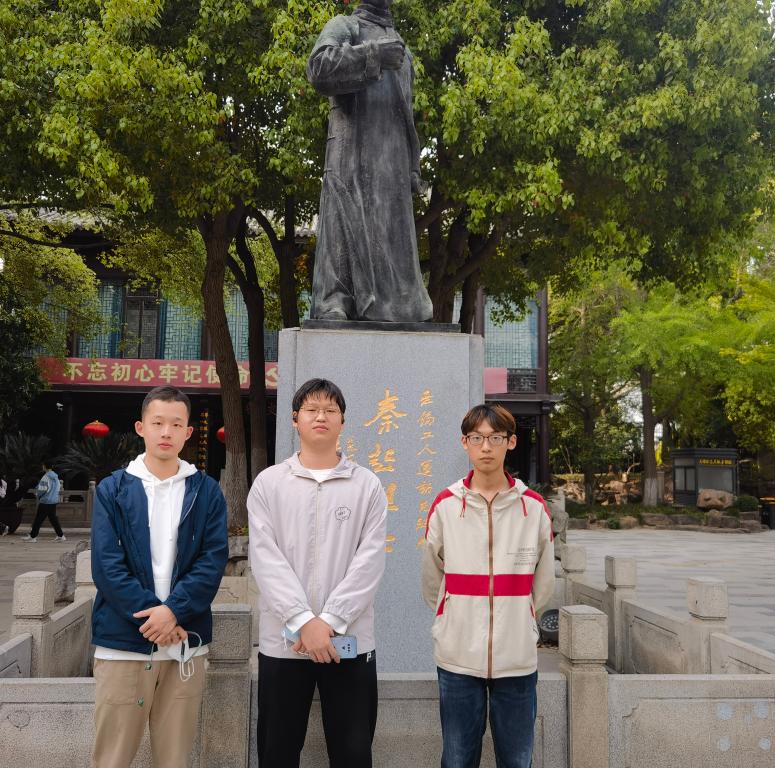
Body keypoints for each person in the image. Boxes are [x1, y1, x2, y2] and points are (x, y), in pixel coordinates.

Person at [248, 378, 388, 768]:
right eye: (311, 410)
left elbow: (369, 561)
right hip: (284, 643)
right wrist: (302, 621)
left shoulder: (366, 485)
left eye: (330, 410)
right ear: (295, 419)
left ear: (343, 421)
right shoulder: (270, 484)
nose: (321, 416)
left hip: (349, 642)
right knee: (277, 751)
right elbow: (265, 558)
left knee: (353, 752)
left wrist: (328, 622)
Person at [90, 385, 228, 768]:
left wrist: (174, 612)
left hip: (184, 644)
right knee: (111, 758)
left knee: (174, 758)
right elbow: (106, 565)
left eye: (176, 424)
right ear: (141, 427)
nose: (166, 432)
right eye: (158, 423)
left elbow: (212, 561)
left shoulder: (206, 492)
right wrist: (155, 615)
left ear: (188, 432)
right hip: (123, 644)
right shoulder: (114, 490)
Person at [421, 404, 555, 768]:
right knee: (458, 759)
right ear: (464, 442)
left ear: (510, 442)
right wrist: (450, 617)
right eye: (477, 437)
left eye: (495, 438)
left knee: (517, 760)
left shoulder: (533, 508)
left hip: (517, 658)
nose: (486, 447)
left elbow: (544, 583)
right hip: (458, 656)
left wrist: (524, 620)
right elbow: (432, 577)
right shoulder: (446, 505)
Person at [305, 0, 433, 322]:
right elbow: (318, 69)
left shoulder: (401, 47)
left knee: (392, 238)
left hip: (392, 161)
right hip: (352, 153)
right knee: (345, 224)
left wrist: (412, 163)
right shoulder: (345, 26)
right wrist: (373, 55)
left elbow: (405, 111)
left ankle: (400, 307)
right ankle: (337, 301)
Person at [23, 461, 65, 542]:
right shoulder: (56, 477)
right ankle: (61, 536)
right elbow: (58, 488)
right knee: (53, 519)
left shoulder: (46, 477)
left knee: (38, 519)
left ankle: (32, 537)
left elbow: (42, 489)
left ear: (44, 466)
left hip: (45, 501)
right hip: (53, 501)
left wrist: (38, 495)